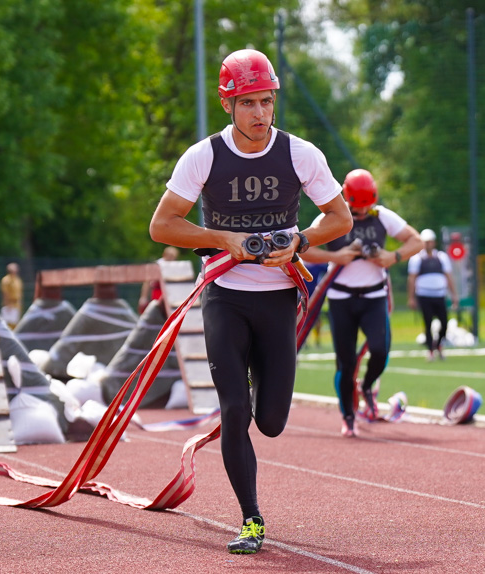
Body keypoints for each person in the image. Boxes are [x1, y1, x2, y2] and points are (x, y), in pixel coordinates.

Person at [148, 48, 352, 555]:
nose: (260, 114)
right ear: (228, 105)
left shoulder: (301, 153)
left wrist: (300, 242)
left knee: (272, 422)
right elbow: (162, 225)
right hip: (225, 297)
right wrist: (222, 239)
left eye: (267, 101)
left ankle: (261, 398)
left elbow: (340, 219)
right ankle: (251, 519)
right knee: (234, 409)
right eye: (249, 103)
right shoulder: (203, 156)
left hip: (279, 298)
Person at [299, 169, 423, 437]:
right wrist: (338, 256)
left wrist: (393, 256)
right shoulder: (330, 218)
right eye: (358, 205)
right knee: (345, 361)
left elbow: (417, 240)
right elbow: (303, 248)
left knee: (380, 349)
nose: (364, 210)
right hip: (341, 298)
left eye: (368, 204)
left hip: (374, 296)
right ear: (347, 197)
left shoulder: (382, 216)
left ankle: (366, 386)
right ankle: (348, 417)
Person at [407, 228, 458, 361]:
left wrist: (454, 295)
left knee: (444, 323)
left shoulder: (441, 257)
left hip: (439, 295)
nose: (428, 244)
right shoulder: (416, 259)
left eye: (430, 242)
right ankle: (430, 350)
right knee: (428, 323)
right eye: (426, 242)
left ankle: (439, 344)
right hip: (424, 295)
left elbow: (449, 276)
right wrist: (411, 297)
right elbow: (412, 278)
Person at [138, 245, 180, 314]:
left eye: (174, 258)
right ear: (165, 255)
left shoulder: (174, 266)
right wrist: (143, 297)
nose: (172, 260)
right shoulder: (157, 265)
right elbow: (147, 282)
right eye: (170, 257)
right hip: (158, 293)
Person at [0, 262, 23, 329]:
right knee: (8, 325)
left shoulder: (18, 280)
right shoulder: (6, 280)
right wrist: (7, 305)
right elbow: (5, 293)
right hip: (10, 305)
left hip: (17, 305)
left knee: (16, 325)